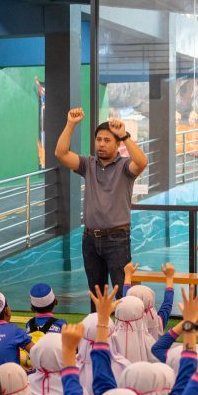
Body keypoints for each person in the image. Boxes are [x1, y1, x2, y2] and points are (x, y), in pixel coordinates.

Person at [55, 108, 148, 308]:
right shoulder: (88, 164)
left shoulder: (125, 167)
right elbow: (61, 153)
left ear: (117, 144)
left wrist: (125, 135)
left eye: (107, 140)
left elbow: (141, 162)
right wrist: (70, 124)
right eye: (98, 140)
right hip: (90, 239)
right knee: (96, 297)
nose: (101, 144)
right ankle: (97, 327)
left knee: (123, 294)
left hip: (117, 240)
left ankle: (127, 327)